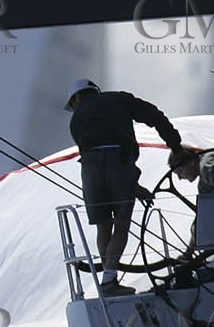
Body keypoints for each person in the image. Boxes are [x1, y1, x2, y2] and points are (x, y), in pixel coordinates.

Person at [66, 77, 185, 296]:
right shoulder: (118, 99)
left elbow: (101, 158)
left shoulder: (76, 121)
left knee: (103, 226)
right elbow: (154, 116)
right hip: (119, 161)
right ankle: (110, 280)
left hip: (90, 167)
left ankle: (108, 279)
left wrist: (134, 187)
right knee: (121, 224)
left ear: (77, 97)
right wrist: (175, 145)